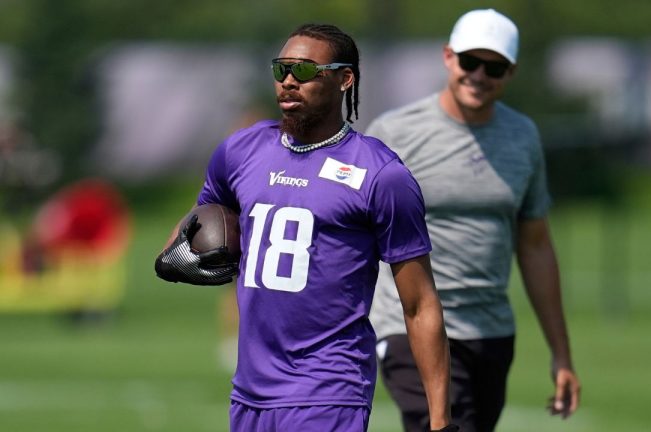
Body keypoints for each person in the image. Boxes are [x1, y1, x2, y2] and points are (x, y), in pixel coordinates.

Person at [154, 23, 456, 432]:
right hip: (250, 393)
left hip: (329, 390)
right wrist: (181, 256)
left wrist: (440, 420)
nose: (290, 82)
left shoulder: (381, 175)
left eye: (306, 71)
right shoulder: (242, 150)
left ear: (345, 79)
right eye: (282, 70)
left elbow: (419, 304)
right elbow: (196, 220)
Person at [367, 9, 581, 431]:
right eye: (470, 61)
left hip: (491, 331)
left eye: (495, 66)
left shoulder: (523, 137)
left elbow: (535, 245)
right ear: (448, 57)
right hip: (409, 328)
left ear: (511, 72)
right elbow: (352, 231)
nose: (479, 75)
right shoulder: (395, 133)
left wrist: (561, 354)